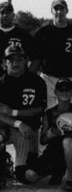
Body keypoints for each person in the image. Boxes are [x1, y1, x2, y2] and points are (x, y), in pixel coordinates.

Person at [27, 78, 72, 191]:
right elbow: (43, 141)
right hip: (52, 152)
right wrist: (49, 135)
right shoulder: (49, 113)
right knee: (30, 175)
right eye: (61, 90)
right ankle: (57, 171)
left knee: (68, 140)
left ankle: (71, 177)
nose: (64, 92)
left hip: (71, 151)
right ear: (55, 92)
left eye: (67, 90)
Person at [29, 0, 72, 108]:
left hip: (71, 79)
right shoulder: (42, 32)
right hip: (48, 79)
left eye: (62, 8)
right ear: (51, 11)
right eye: (56, 9)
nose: (59, 12)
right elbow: (36, 61)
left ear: (67, 11)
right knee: (48, 112)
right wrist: (29, 81)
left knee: (71, 115)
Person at [0, 45, 47, 184]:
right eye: (11, 60)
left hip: (27, 130)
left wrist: (14, 113)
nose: (15, 63)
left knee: (25, 177)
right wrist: (18, 123)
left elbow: (40, 108)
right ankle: (3, 164)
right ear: (4, 63)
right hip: (7, 127)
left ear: (26, 60)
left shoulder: (37, 81)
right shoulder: (1, 83)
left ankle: (15, 166)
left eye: (19, 59)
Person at [0, 2, 34, 77]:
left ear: (13, 15)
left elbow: (36, 59)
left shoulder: (23, 35)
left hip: (17, 81)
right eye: (2, 13)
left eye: (8, 13)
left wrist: (28, 76)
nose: (5, 15)